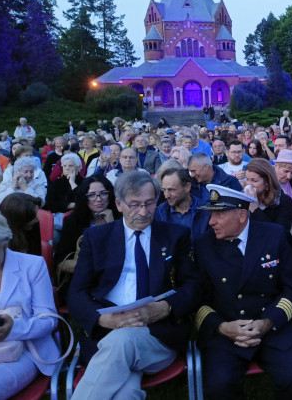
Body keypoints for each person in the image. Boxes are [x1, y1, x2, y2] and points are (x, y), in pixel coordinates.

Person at [68, 171, 202, 398]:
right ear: (119, 204)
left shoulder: (174, 236)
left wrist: (166, 307)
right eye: (135, 205)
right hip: (106, 332)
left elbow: (193, 286)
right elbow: (76, 294)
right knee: (125, 394)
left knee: (124, 341)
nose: (143, 212)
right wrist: (102, 318)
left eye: (149, 204)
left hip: (157, 334)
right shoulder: (97, 238)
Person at [193, 184, 292, 400]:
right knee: (218, 386)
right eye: (210, 215)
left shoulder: (274, 236)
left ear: (242, 214)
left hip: (272, 325)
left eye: (218, 215)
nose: (211, 222)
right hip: (227, 330)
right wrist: (221, 327)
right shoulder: (203, 245)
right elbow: (197, 298)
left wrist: (268, 322)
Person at [0, 208, 60, 398]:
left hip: (20, 353)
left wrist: (13, 328)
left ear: (4, 242)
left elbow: (49, 320)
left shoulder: (32, 266)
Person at [54, 175, 119, 297]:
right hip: (83, 278)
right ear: (84, 197)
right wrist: (93, 266)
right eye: (92, 195)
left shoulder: (120, 218)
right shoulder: (73, 221)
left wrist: (111, 226)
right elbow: (60, 261)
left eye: (103, 193)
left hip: (115, 276)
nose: (98, 199)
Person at [244, 158, 292, 233]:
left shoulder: (283, 201)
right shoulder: (242, 197)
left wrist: (255, 210)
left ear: (267, 182)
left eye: (254, 181)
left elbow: (280, 233)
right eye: (247, 179)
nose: (249, 184)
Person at [155, 167, 210, 239]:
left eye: (171, 190)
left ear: (187, 187)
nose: (166, 196)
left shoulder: (206, 211)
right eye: (164, 190)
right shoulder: (159, 213)